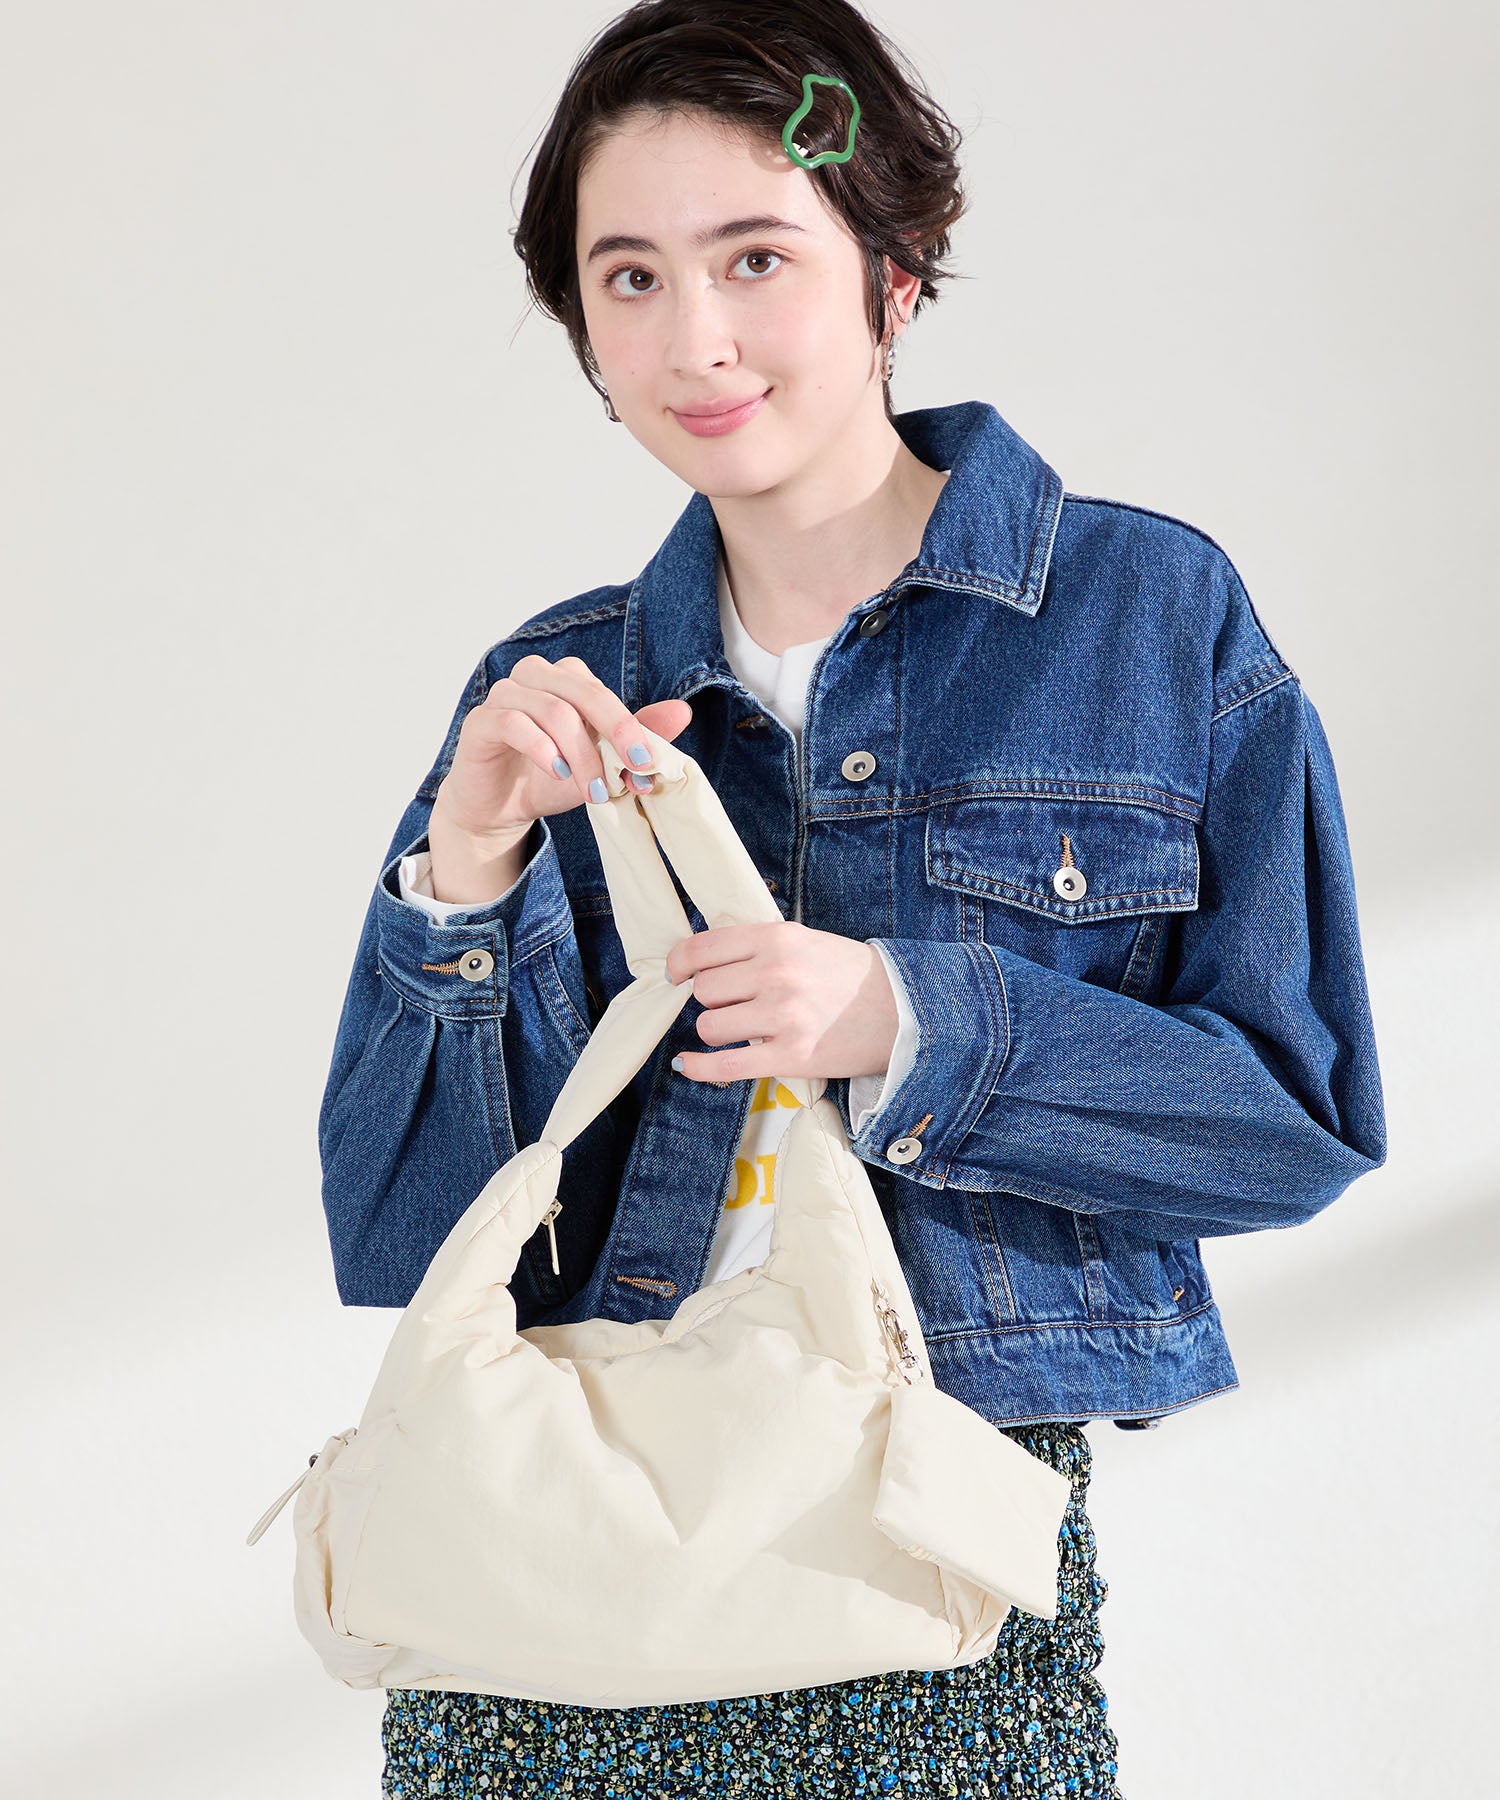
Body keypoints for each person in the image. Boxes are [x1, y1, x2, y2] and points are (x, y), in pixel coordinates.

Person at [318, 2, 1388, 1794]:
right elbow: (402, 1232)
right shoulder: (555, 691)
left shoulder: (1143, 621)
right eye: (631, 278)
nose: (697, 339)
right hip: (552, 1598)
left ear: (894, 274)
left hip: (927, 1582)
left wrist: (910, 1022)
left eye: (757, 258)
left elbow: (1294, 1120)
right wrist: (465, 875)